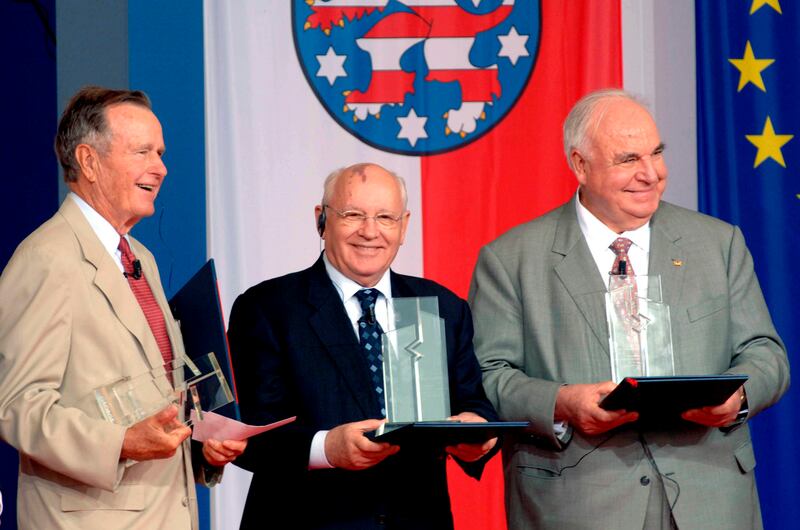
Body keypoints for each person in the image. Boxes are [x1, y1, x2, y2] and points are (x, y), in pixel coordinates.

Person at [469, 89, 790, 529]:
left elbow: (766, 352)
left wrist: (738, 398)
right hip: (579, 505)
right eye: (627, 159)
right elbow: (490, 376)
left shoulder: (718, 243)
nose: (650, 174)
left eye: (656, 153)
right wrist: (563, 402)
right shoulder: (511, 259)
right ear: (580, 165)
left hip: (711, 498)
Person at [0, 86, 246, 529]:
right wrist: (120, 442)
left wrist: (201, 444)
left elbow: (158, 399)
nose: (161, 167)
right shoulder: (45, 259)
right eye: (143, 152)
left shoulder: (139, 257)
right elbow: (18, 406)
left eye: (160, 152)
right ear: (89, 162)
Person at [227, 163, 499, 529]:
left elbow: (473, 403)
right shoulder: (267, 307)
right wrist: (326, 448)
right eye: (353, 214)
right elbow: (246, 433)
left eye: (385, 217)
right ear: (321, 220)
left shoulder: (441, 306)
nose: (370, 232)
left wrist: (476, 433)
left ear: (403, 227)